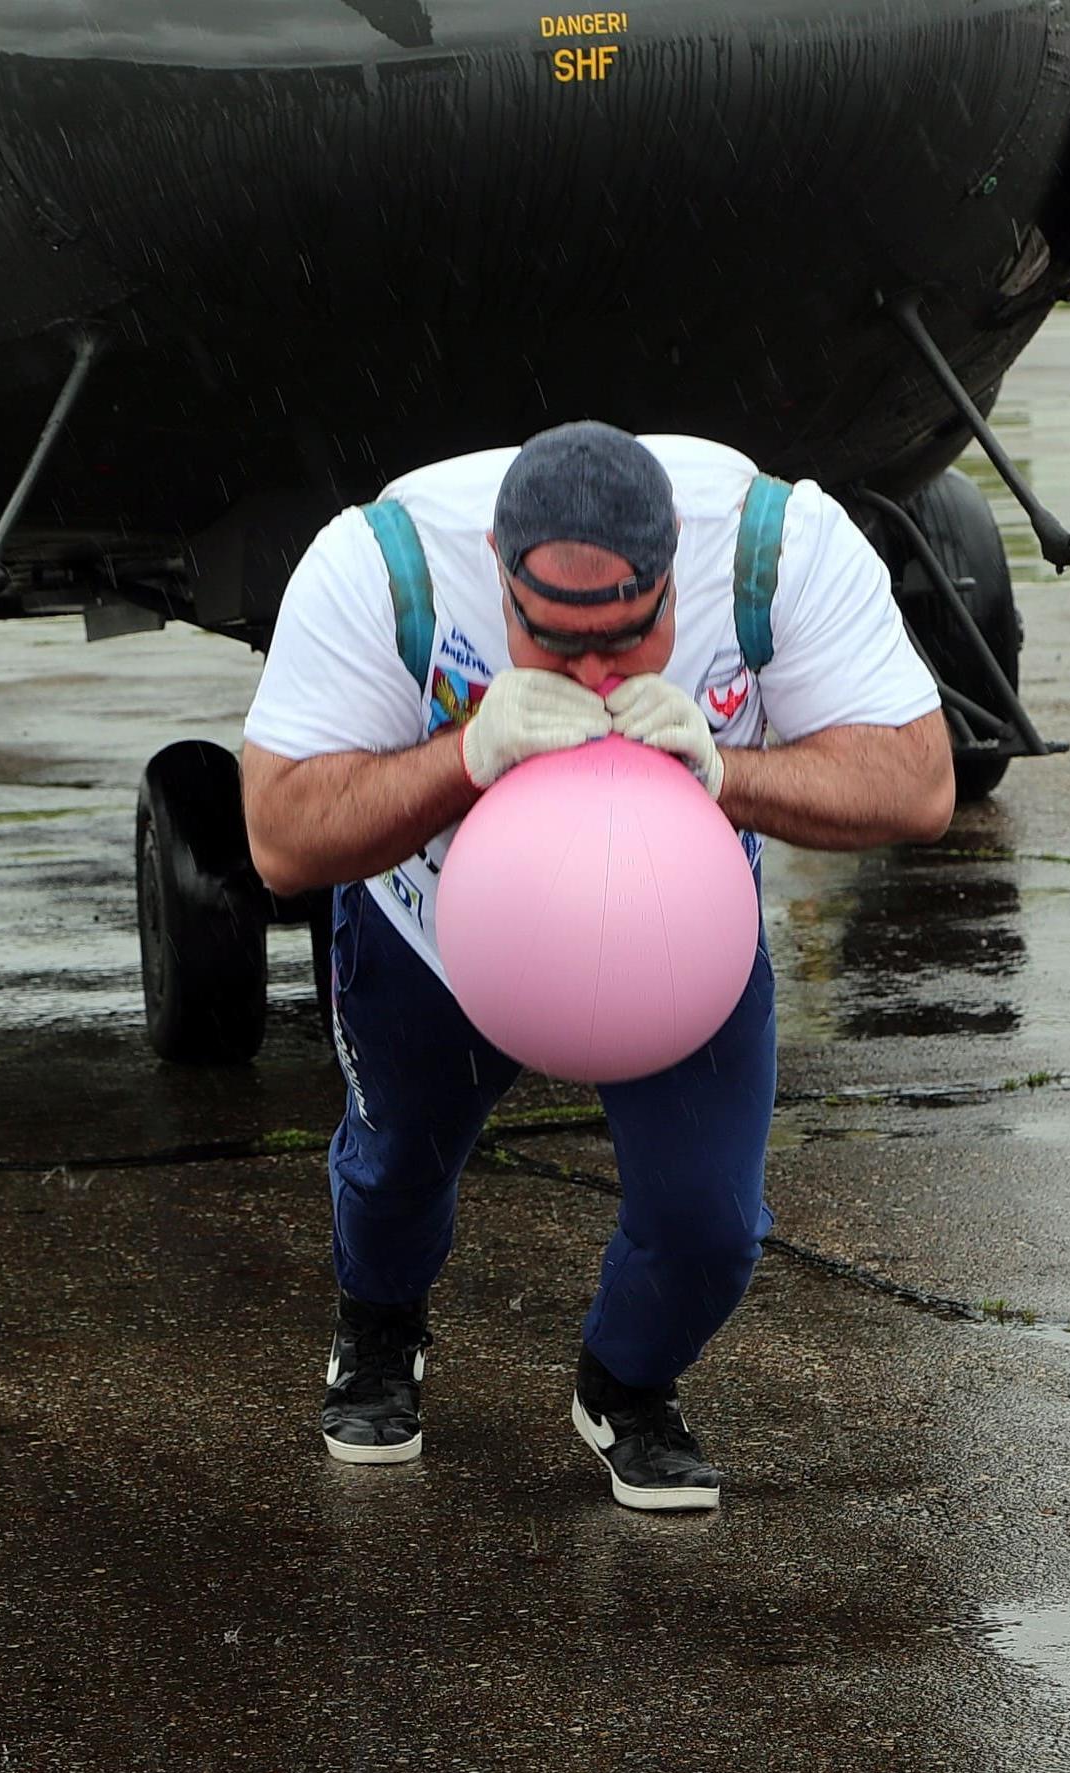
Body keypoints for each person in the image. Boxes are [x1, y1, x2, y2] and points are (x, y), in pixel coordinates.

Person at [241, 424, 953, 1513]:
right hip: (438, 923)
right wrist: (465, 753)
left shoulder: (776, 544)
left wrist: (725, 770)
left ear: (679, 568)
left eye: (629, 638)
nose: (595, 676)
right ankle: (379, 1329)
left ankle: (627, 1383)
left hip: (675, 925)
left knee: (711, 1223)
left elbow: (917, 783)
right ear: (495, 566)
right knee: (397, 1174)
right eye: (558, 646)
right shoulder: (384, 564)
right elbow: (281, 836)